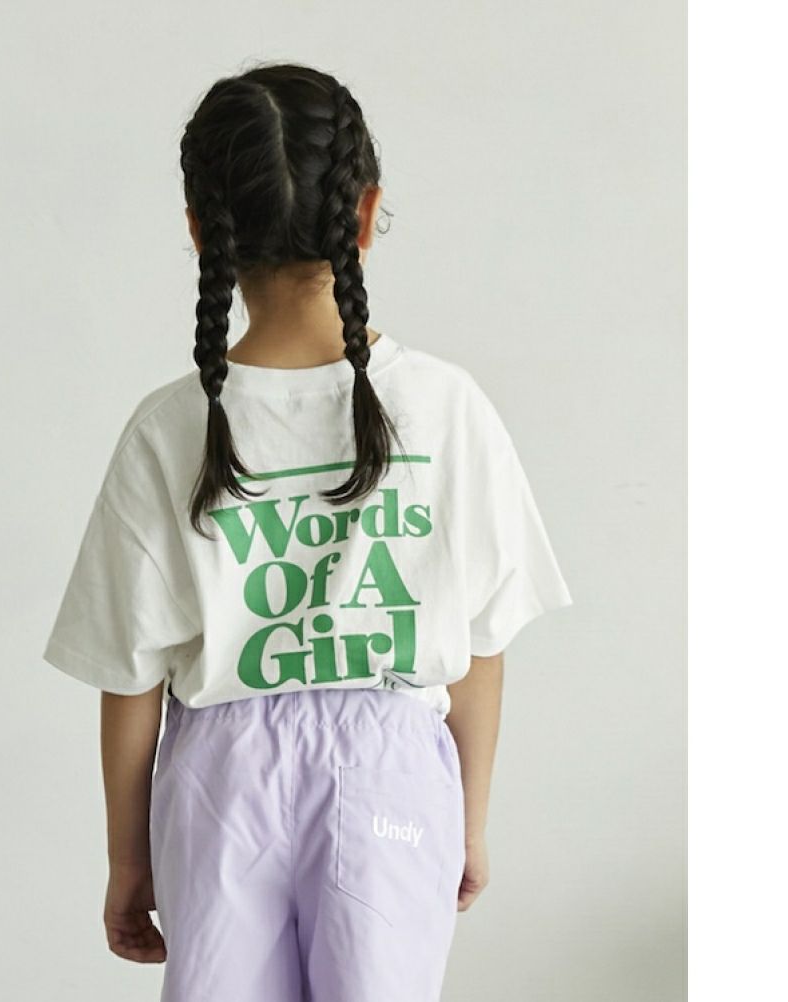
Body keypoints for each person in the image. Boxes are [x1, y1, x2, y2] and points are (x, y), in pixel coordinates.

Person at [42, 62, 572, 1002]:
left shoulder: (168, 428)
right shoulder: (446, 407)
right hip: (391, 774)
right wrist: (468, 822)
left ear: (201, 230)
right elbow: (481, 649)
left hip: (221, 784)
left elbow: (130, 678)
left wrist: (129, 862)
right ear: (365, 215)